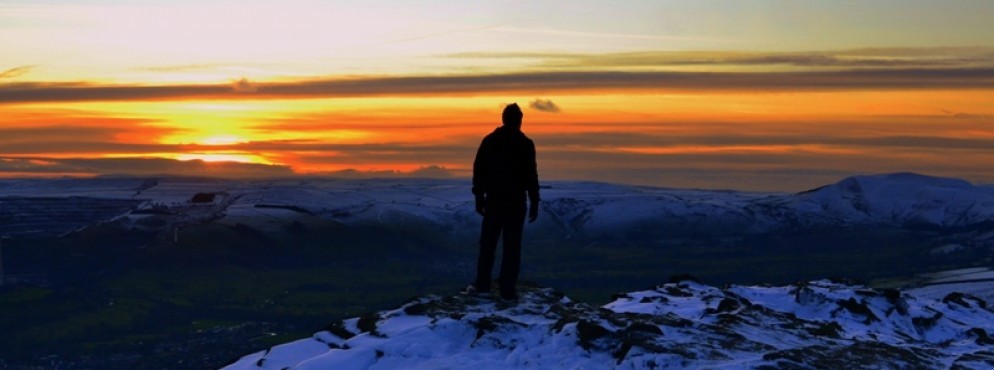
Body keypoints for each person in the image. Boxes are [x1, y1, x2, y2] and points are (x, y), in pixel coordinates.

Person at [467, 103, 540, 300]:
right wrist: (534, 201)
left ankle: (484, 285)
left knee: (489, 244)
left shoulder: (491, 141)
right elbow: (531, 175)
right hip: (514, 202)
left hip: (496, 201)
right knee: (511, 246)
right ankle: (507, 288)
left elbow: (479, 169)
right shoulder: (525, 143)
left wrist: (478, 196)